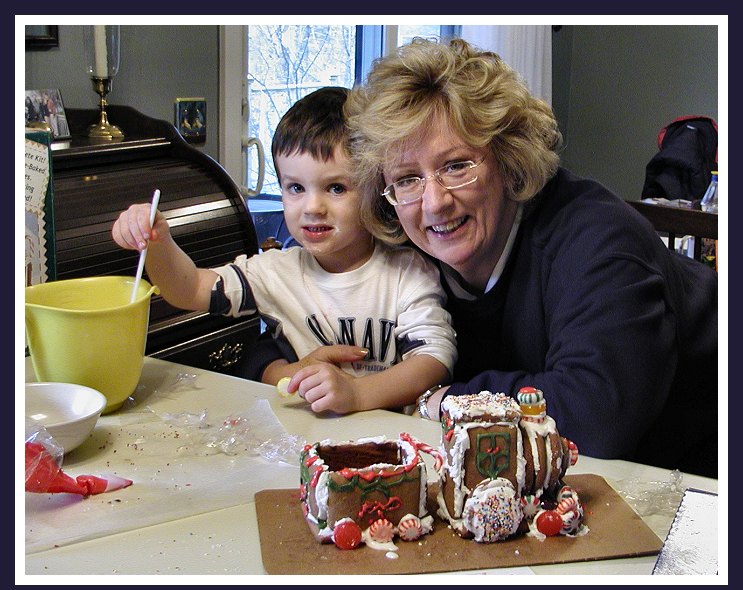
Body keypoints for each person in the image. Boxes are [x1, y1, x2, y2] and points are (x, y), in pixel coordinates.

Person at [247, 39, 718, 478]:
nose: (434, 202)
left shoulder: (595, 240)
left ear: (508, 159)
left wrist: (437, 401)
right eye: (407, 178)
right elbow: (271, 327)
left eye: (456, 166)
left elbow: (594, 418)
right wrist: (287, 373)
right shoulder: (405, 244)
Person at [111, 86, 456, 415]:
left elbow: (435, 360)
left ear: (374, 188)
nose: (312, 207)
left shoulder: (407, 272)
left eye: (336, 188)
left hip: (393, 446)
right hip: (302, 437)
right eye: (295, 187)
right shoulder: (273, 272)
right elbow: (188, 288)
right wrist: (158, 242)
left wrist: (357, 393)